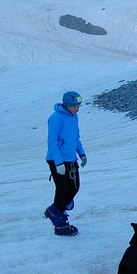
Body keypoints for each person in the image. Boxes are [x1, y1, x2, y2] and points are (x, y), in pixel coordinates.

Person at [44, 91, 87, 236]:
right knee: (62, 190)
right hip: (58, 160)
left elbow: (75, 138)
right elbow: (52, 142)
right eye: (75, 106)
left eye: (78, 106)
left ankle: (53, 211)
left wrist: (81, 153)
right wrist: (58, 163)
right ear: (67, 105)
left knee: (74, 188)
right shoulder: (56, 118)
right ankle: (60, 224)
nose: (77, 109)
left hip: (71, 159)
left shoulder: (74, 117)